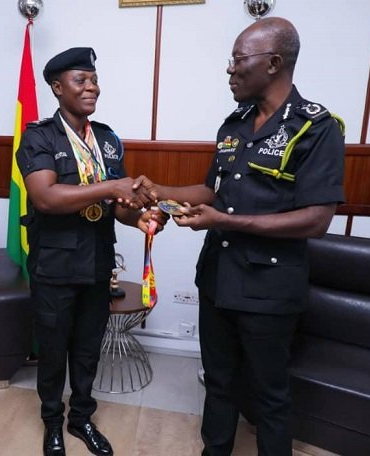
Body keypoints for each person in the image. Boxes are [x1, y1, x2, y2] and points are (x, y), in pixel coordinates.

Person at [146, 17, 345, 456]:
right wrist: (159, 191)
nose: (230, 70)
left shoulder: (316, 128)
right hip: (218, 280)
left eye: (238, 60)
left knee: (268, 396)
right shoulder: (234, 124)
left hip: (269, 290)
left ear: (274, 62)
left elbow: (316, 219)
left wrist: (226, 222)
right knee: (217, 383)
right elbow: (212, 191)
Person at [16, 47, 164, 456]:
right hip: (54, 266)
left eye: (94, 79)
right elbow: (45, 197)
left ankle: (81, 418)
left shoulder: (108, 139)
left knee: (86, 351)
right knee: (53, 352)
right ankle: (52, 423)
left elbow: (117, 207)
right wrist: (112, 187)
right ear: (57, 87)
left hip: (98, 266)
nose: (91, 87)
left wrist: (140, 219)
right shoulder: (39, 136)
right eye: (81, 80)